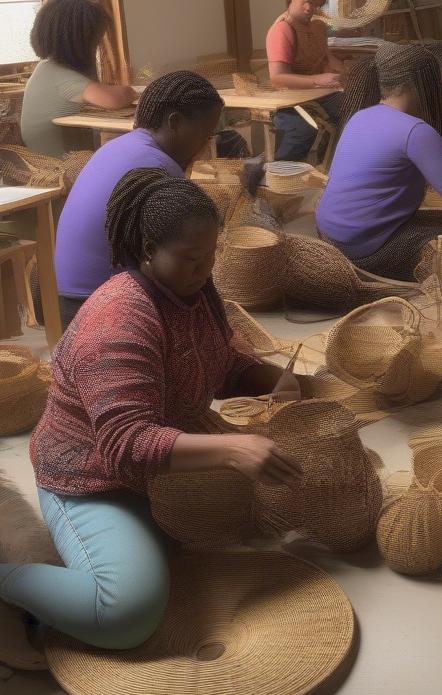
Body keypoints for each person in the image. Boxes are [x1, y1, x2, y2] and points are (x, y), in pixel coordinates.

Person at [0, 169, 301, 659]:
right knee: (126, 613)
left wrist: (289, 383)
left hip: (157, 469)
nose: (205, 270)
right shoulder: (118, 318)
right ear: (145, 249)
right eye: (191, 259)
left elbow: (219, 362)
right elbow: (126, 445)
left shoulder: (193, 291)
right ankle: (7, 580)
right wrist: (234, 448)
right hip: (90, 478)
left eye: (211, 256)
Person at [319, 43, 442, 281]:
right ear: (413, 84)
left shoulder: (361, 116)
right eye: (431, 80)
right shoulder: (416, 130)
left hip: (329, 234)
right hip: (363, 248)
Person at [54, 70, 224, 327]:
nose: (205, 147)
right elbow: (180, 255)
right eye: (205, 135)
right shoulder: (158, 167)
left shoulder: (119, 146)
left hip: (68, 302)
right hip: (101, 311)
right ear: (175, 122)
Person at [20, 0, 137, 157]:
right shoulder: (64, 78)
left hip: (44, 155)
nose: (96, 48)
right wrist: (132, 92)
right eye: (95, 43)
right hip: (60, 164)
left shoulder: (45, 68)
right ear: (79, 44)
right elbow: (113, 99)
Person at [265, 0, 349, 161]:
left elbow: (326, 58)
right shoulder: (282, 30)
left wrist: (344, 74)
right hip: (290, 97)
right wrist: (317, 80)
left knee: (354, 109)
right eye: (306, 1)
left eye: (315, 4)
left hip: (318, 93)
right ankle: (278, 175)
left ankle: (330, 163)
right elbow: (277, 77)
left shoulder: (318, 28)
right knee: (302, 129)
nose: (310, 8)